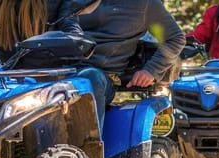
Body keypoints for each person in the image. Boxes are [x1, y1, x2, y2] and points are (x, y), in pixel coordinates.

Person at [76, 0, 186, 132]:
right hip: (57, 69)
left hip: (100, 78)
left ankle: (88, 149)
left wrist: (151, 70)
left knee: (89, 79)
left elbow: (176, 38)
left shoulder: (144, 4)